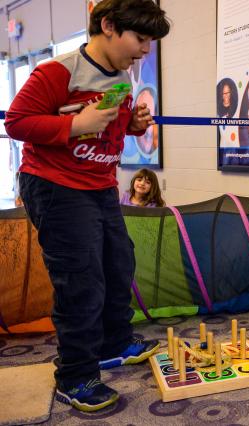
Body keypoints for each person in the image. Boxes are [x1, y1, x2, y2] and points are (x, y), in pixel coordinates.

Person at [4, 0, 170, 412]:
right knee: (81, 282)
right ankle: (75, 376)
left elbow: (109, 124)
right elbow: (17, 122)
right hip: (56, 187)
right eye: (140, 38)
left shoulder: (122, 75)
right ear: (109, 26)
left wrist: (131, 125)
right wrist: (73, 126)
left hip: (99, 186)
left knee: (119, 264)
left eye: (149, 41)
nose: (145, 50)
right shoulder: (59, 71)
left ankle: (114, 342)